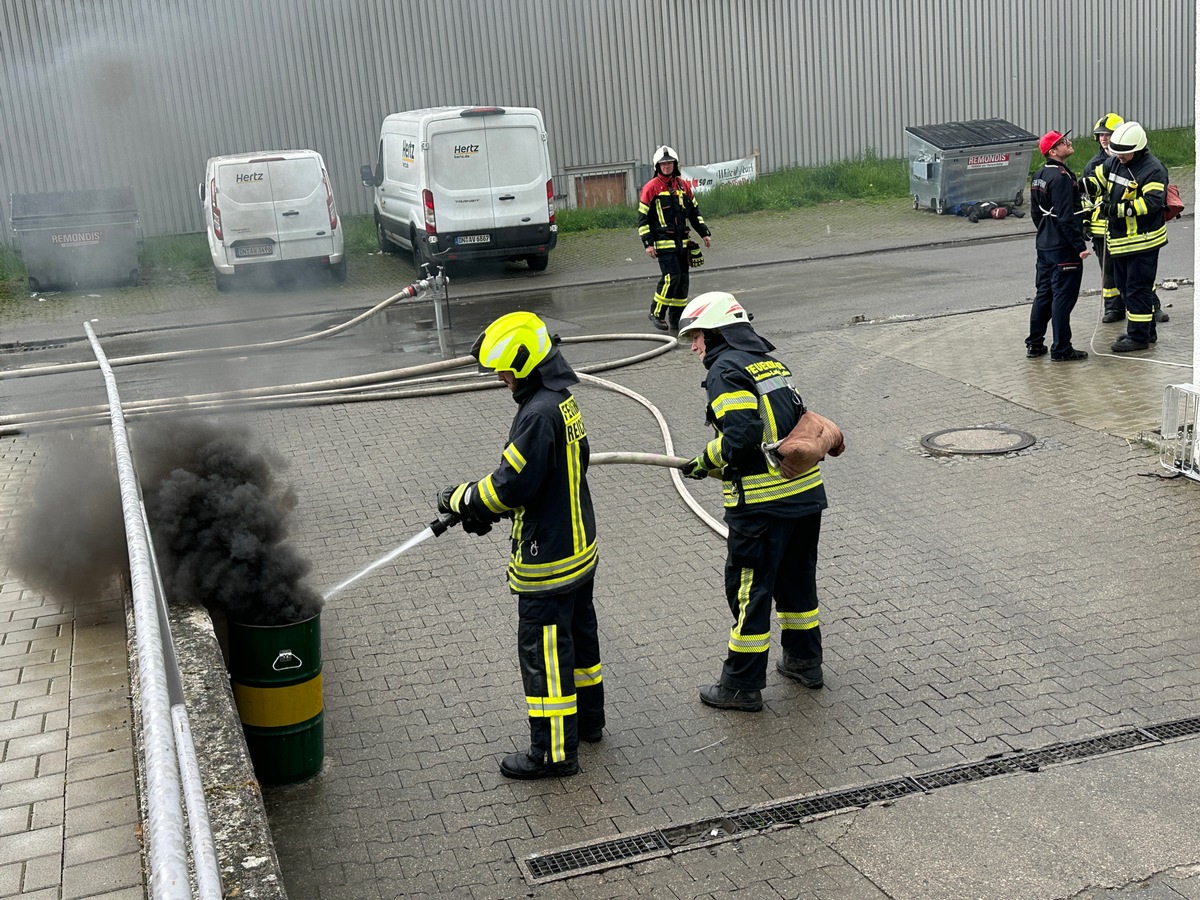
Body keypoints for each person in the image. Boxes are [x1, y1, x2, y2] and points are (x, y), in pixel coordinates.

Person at [437, 311, 604, 779]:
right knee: (580, 644)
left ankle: (552, 753)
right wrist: (491, 511)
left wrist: (464, 499)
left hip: (546, 560)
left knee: (545, 655)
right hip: (579, 547)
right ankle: (590, 723)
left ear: (524, 365)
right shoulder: (562, 401)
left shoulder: (534, 414)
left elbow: (512, 486)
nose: (500, 379)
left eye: (504, 370)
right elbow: (554, 476)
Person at [677, 291, 829, 712]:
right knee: (797, 580)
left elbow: (741, 437)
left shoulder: (725, 369)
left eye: (697, 337)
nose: (694, 347)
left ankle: (741, 685)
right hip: (803, 497)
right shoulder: (771, 362)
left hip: (761, 507)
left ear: (718, 333)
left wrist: (704, 461)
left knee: (750, 591)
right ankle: (805, 662)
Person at [1096, 121, 1169, 352]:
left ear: (1137, 148)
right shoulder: (1117, 162)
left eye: (1123, 153)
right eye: (1116, 153)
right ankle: (1147, 332)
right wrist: (1081, 186)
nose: (1118, 157)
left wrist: (1117, 209)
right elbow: (1098, 176)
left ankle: (1138, 338)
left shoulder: (1153, 169)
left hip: (1142, 241)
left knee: (1137, 289)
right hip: (1121, 241)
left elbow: (1152, 202)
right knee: (1126, 288)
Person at [1026, 130, 1091, 362]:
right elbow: (1066, 216)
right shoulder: (1061, 177)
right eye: (1063, 142)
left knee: (1043, 294)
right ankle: (1062, 348)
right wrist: (1079, 245)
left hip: (1044, 245)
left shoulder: (1039, 175)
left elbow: (1035, 213)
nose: (1068, 143)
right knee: (1062, 298)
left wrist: (1045, 232)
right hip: (1063, 249)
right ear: (1053, 151)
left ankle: (1034, 344)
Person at [637, 145, 712, 333]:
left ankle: (676, 318)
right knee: (672, 277)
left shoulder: (683, 186)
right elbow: (643, 219)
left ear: (675, 164)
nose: (667, 166)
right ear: (657, 166)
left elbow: (694, 213)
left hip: (682, 243)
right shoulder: (651, 188)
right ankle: (656, 313)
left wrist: (704, 232)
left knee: (683, 280)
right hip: (663, 244)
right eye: (663, 164)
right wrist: (648, 243)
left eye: (669, 163)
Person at [1082, 113, 1126, 323]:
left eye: (1108, 134)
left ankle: (1152, 306)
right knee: (1108, 272)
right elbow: (1085, 198)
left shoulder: (1132, 159)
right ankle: (1113, 309)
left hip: (1128, 226)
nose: (1104, 139)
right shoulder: (1093, 165)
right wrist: (1084, 223)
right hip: (1102, 229)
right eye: (1100, 135)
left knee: (1135, 270)